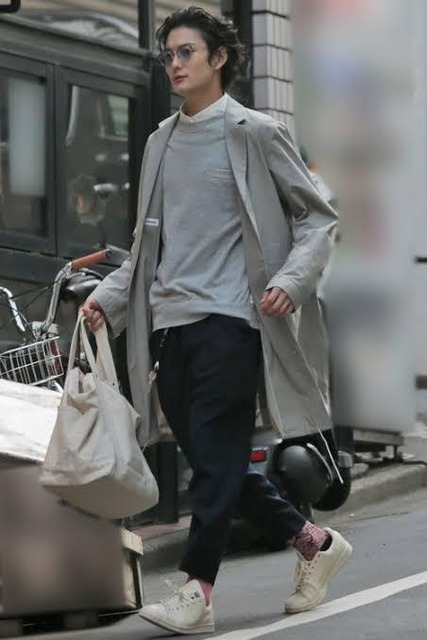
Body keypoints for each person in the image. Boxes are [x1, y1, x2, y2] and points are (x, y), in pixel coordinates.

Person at [81, 6, 352, 635]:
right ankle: (313, 542)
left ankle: (198, 589)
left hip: (233, 320)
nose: (173, 64)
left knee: (215, 455)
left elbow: (317, 218)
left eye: (186, 52)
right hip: (169, 326)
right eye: (168, 55)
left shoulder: (255, 132)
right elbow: (148, 246)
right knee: (215, 459)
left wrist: (290, 281)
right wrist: (111, 300)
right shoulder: (160, 141)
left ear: (219, 57)